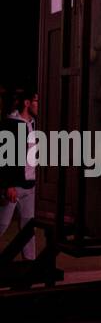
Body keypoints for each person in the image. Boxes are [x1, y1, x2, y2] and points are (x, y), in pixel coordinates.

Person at [1, 88, 40, 261]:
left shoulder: (34, 125)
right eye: (36, 101)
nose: (39, 105)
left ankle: (30, 265)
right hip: (14, 186)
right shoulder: (11, 124)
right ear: (27, 103)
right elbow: (4, 156)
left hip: (30, 185)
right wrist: (8, 184)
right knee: (1, 224)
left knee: (28, 229)